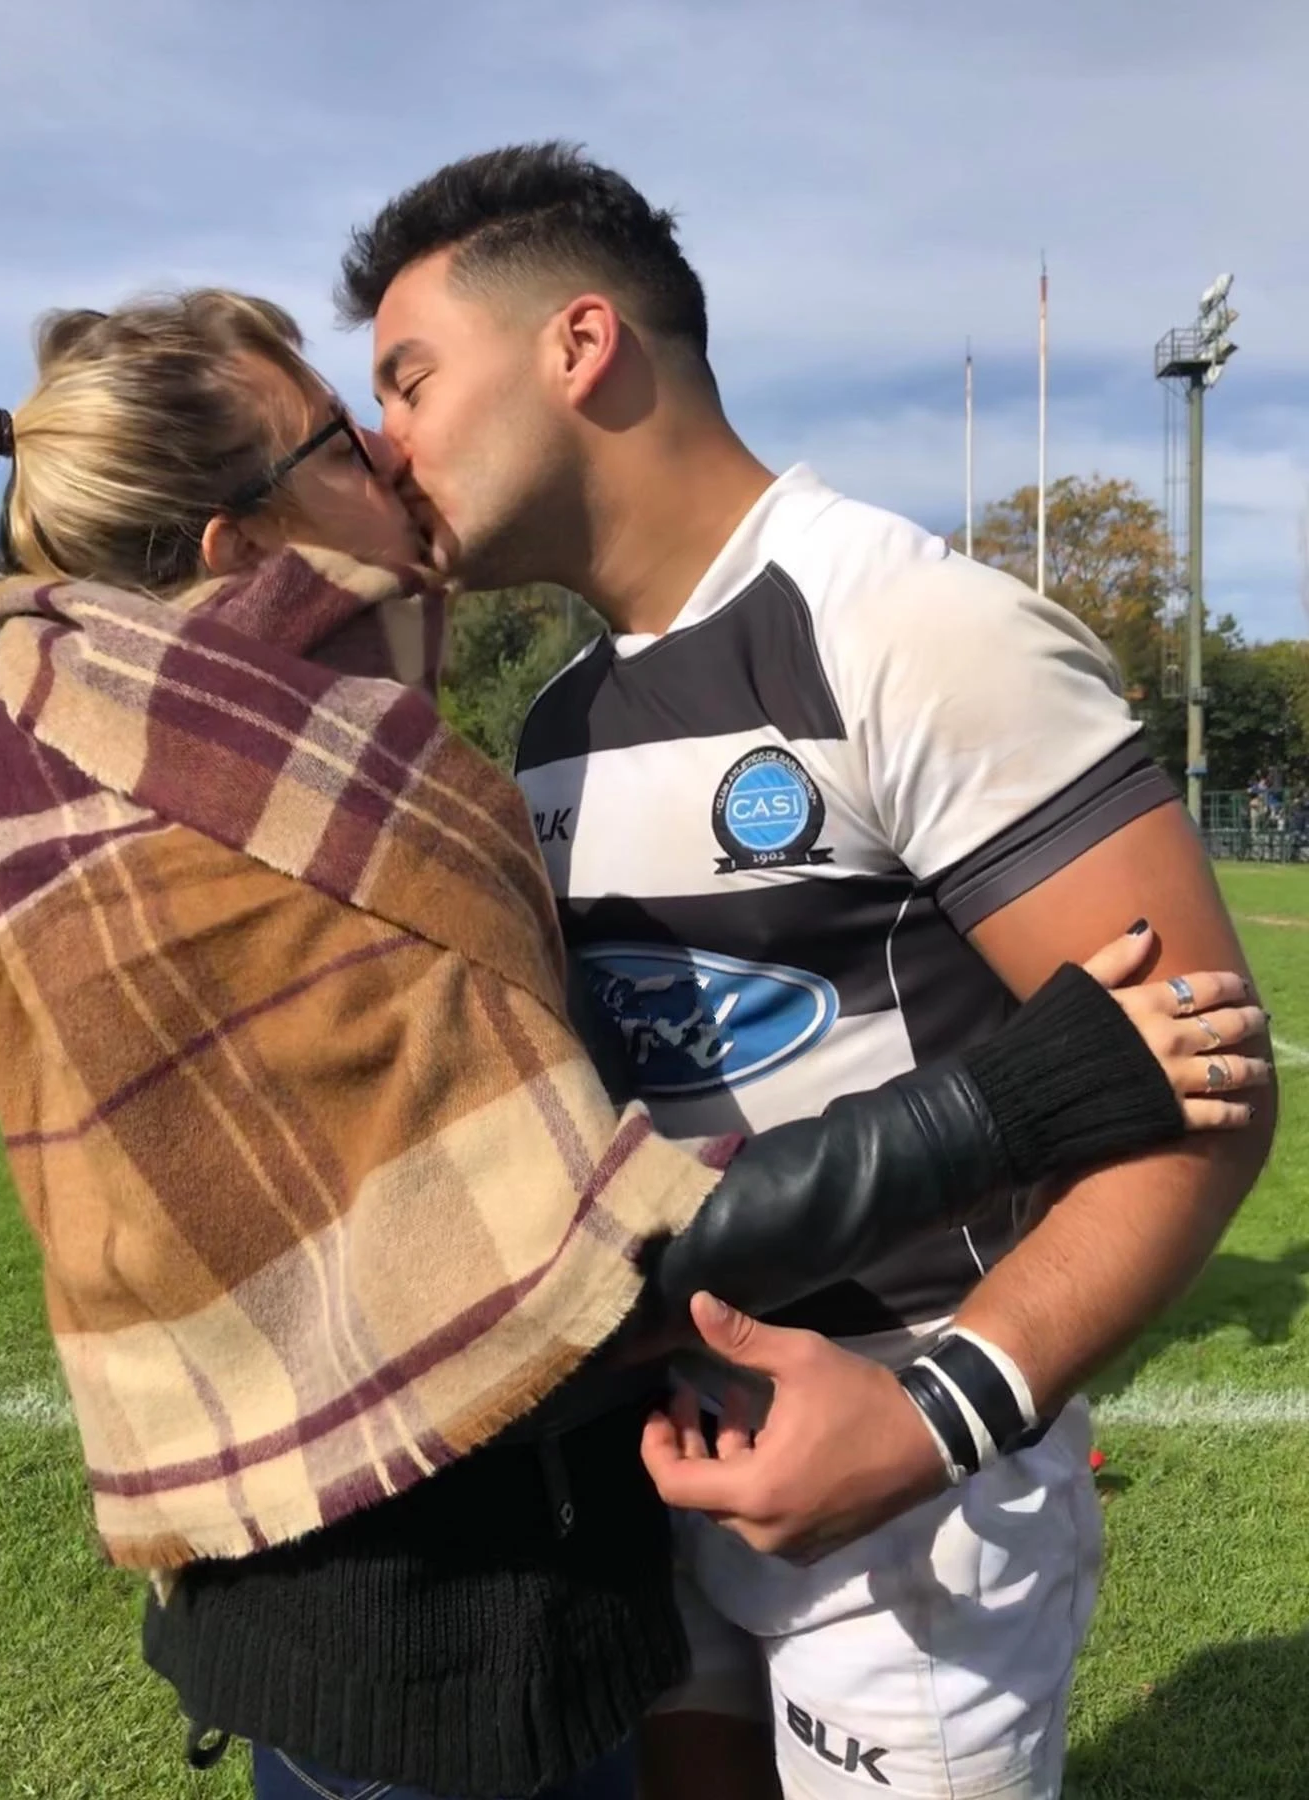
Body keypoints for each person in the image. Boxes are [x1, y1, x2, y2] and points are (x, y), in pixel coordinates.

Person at [0, 296, 1262, 1800]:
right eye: (342, 432)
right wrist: (1018, 1100)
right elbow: (542, 1266)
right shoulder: (212, 826)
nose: (388, 450)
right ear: (241, 543)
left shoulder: (260, 755)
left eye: (401, 387)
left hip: (517, 1565)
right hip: (423, 1638)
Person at [341, 144, 1277, 1800]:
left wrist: (932, 1417)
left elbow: (1205, 1083)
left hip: (915, 1497)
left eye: (409, 380)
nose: (384, 442)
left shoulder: (910, 630)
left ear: (579, 344)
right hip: (666, 1459)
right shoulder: (555, 725)